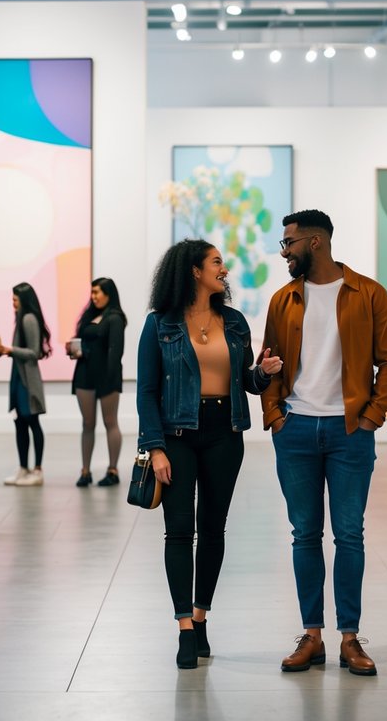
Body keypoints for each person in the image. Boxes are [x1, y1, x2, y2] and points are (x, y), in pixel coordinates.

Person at [261, 209, 387, 677]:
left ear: (315, 242)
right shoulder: (283, 299)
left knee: (349, 535)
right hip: (296, 429)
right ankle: (312, 636)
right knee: (304, 534)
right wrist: (275, 417)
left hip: (349, 433)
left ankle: (350, 638)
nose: (285, 252)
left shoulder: (369, 294)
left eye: (289, 243)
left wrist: (372, 417)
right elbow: (269, 364)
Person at [137, 239, 282, 669]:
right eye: (216, 262)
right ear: (194, 271)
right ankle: (184, 627)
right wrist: (155, 446)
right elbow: (146, 391)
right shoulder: (159, 323)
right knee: (179, 531)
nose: (224, 268)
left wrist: (263, 374)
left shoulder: (234, 322)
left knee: (213, 529)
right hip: (177, 435)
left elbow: (246, 383)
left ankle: (201, 618)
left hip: (224, 434)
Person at [70, 277, 127, 487]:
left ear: (108, 294)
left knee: (110, 422)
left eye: (97, 292)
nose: (93, 296)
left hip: (107, 376)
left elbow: (115, 351)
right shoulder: (90, 316)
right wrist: (77, 351)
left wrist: (110, 377)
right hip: (84, 374)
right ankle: (85, 471)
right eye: (92, 292)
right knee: (87, 424)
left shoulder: (115, 318)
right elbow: (86, 342)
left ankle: (113, 469)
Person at [0, 282, 52, 487]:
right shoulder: (22, 318)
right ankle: (23, 468)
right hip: (20, 377)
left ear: (24, 300)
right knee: (20, 422)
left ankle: (36, 470)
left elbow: (34, 353)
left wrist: (8, 350)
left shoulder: (28, 319)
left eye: (15, 299)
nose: (13, 303)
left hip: (27, 380)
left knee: (32, 422)